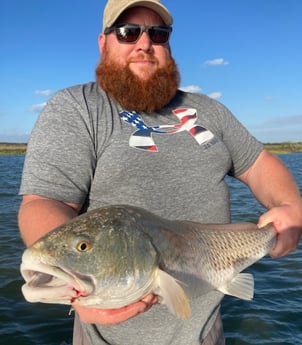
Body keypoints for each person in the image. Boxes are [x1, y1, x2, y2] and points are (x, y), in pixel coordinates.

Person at [18, 0, 302, 344]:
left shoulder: (210, 111)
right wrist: (77, 287)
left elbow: (258, 164)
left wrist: (289, 204)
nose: (144, 43)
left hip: (207, 331)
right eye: (127, 32)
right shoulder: (77, 108)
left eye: (158, 33)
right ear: (103, 42)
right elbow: (44, 200)